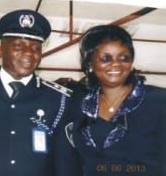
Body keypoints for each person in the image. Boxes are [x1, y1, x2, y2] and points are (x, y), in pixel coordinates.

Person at [0, 9, 72, 176]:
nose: (28, 53)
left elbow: (64, 160)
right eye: (18, 45)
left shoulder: (60, 99)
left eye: (35, 48)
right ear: (0, 51)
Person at [53, 25, 166, 176]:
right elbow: (69, 160)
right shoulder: (78, 105)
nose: (116, 64)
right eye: (106, 58)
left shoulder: (159, 101)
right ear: (89, 64)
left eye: (123, 58)